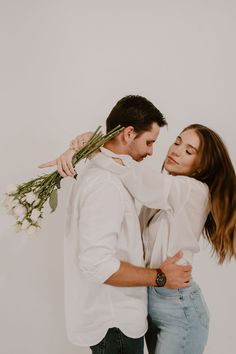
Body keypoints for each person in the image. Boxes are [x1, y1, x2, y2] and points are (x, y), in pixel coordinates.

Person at [46, 122, 236, 354]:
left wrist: (96, 147)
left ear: (202, 166)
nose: (175, 150)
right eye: (177, 142)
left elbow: (132, 176)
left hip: (179, 309)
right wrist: (79, 149)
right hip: (153, 299)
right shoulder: (167, 191)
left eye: (189, 151)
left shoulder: (192, 191)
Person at [39, 95, 192, 354]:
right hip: (115, 326)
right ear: (129, 133)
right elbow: (97, 264)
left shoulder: (105, 173)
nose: (152, 151)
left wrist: (93, 146)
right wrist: (160, 277)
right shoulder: (105, 186)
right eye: (149, 142)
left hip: (115, 323)